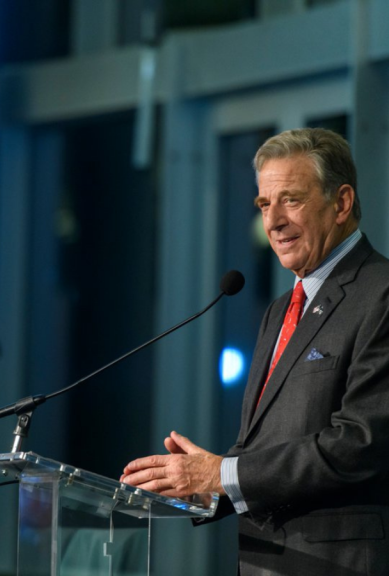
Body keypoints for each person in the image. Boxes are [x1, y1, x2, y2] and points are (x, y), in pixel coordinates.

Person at [121, 128, 389, 576]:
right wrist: (210, 490)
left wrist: (223, 474)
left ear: (341, 203)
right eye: (265, 204)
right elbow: (267, 447)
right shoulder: (281, 310)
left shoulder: (380, 294)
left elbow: (362, 442)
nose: (273, 221)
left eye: (292, 199)